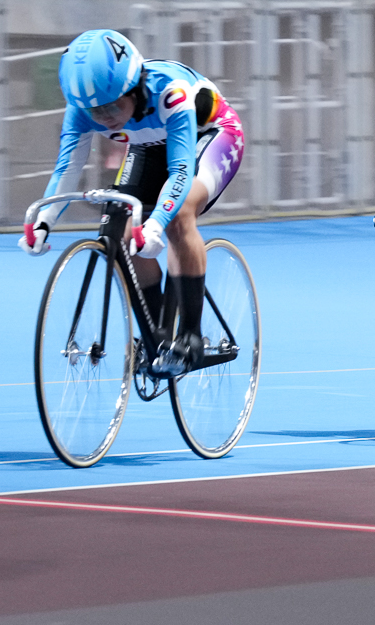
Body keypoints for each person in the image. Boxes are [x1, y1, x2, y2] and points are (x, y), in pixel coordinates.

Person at [22, 30, 245, 375]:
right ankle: (156, 335)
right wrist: (43, 222)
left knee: (178, 215)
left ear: (135, 86)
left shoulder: (170, 93)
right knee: (118, 228)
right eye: (96, 112)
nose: (106, 116)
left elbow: (181, 170)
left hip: (210, 135)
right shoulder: (83, 108)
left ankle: (190, 336)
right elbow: (68, 167)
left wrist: (156, 223)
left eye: (113, 105)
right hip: (147, 145)